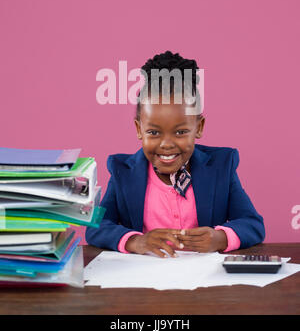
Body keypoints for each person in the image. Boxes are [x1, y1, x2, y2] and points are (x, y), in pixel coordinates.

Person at [86, 51, 265, 258]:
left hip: (204, 281)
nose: (167, 144)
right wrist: (137, 241)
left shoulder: (221, 166)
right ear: (138, 129)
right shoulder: (123, 171)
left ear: (198, 127)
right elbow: (96, 226)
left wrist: (220, 238)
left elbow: (252, 223)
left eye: (180, 132)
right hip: (144, 280)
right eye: (153, 132)